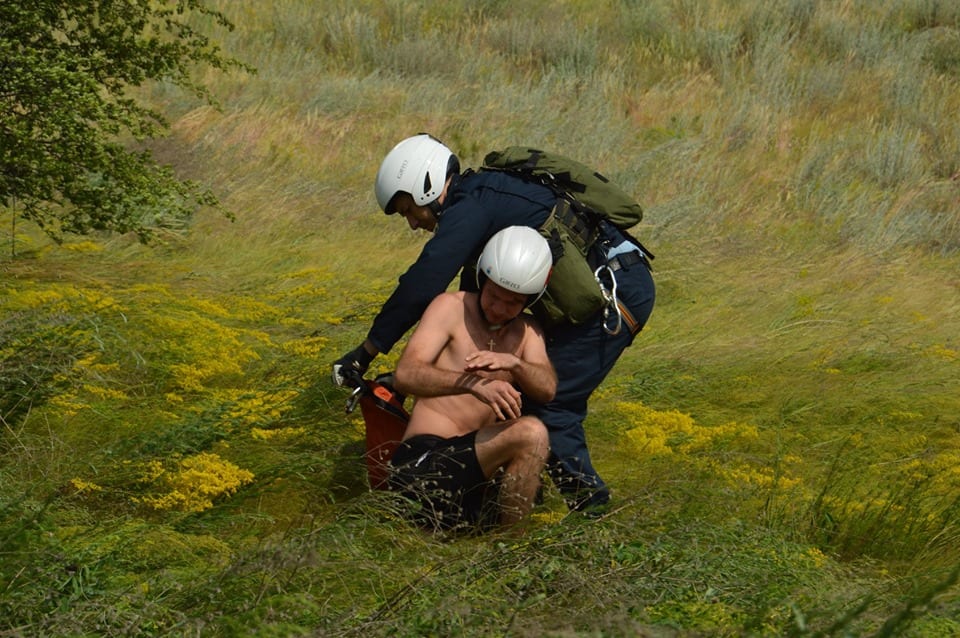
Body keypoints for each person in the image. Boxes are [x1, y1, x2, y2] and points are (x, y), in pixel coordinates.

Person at [333, 134, 655, 512]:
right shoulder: (484, 198)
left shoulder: (472, 206)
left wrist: (367, 351)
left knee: (549, 405)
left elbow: (425, 280)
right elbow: (475, 318)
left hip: (616, 294)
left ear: (428, 188)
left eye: (409, 210)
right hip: (617, 282)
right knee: (509, 388)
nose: (412, 224)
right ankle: (512, 496)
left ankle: (591, 512)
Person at [388, 226, 556, 530]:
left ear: (529, 301)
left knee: (534, 445)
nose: (499, 310)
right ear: (482, 278)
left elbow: (547, 389)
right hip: (423, 465)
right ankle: (514, 548)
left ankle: (505, 549)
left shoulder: (528, 332)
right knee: (531, 433)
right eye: (494, 296)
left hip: (478, 478)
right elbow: (405, 375)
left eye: (513, 303)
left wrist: (516, 364)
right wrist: (475, 384)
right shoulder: (450, 307)